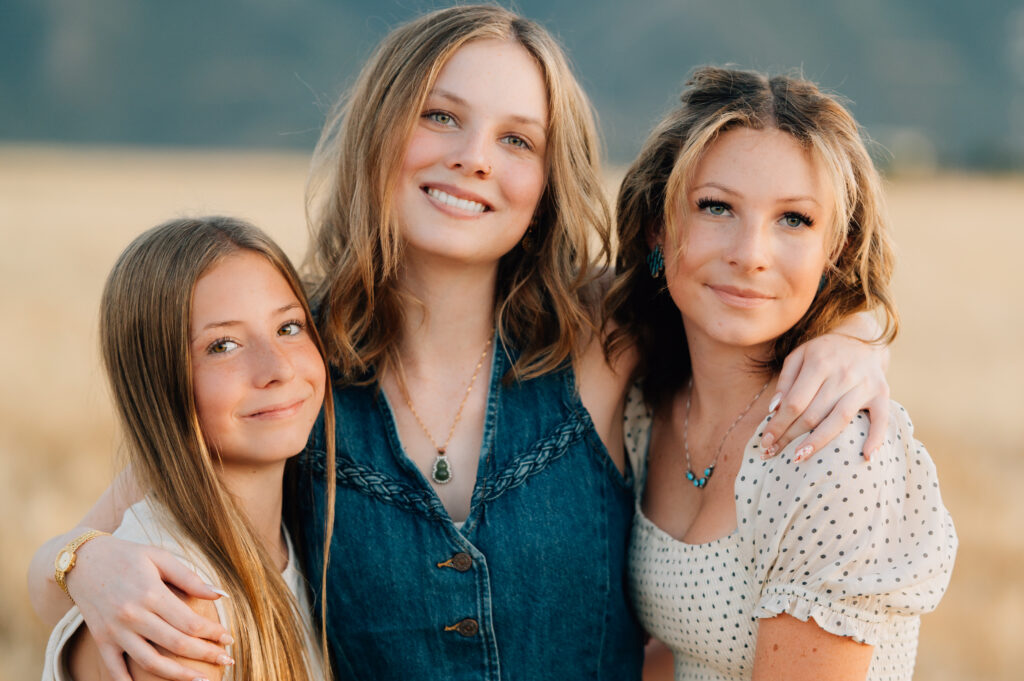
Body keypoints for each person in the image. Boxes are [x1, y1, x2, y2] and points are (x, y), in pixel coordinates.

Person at [29, 7, 892, 680]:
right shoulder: (294, 366)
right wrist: (87, 566)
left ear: (546, 177)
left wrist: (859, 336)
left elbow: (744, 280)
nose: (476, 158)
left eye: (517, 138)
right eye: (443, 117)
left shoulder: (600, 339)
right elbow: (75, 546)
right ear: (383, 130)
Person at [607, 66, 957, 681]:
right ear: (660, 227)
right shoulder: (644, 404)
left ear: (837, 253)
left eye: (794, 219)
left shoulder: (832, 450)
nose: (751, 254)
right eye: (716, 207)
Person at [38, 217, 334, 681]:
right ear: (158, 381)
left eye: (289, 326)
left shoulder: (299, 532)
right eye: (224, 345)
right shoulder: (176, 608)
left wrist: (70, 560)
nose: (277, 368)